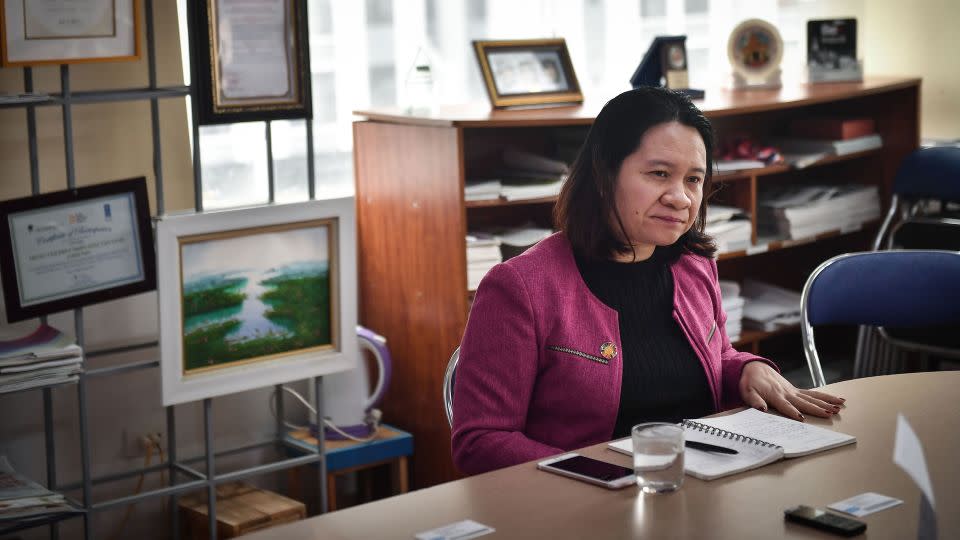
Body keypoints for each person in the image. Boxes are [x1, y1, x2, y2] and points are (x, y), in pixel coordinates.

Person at [450, 86, 846, 475]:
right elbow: (481, 439)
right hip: (582, 508)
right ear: (604, 175)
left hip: (693, 491)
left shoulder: (694, 263)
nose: (681, 198)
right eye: (659, 174)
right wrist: (602, 477)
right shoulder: (519, 288)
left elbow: (715, 356)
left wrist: (745, 369)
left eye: (694, 179)